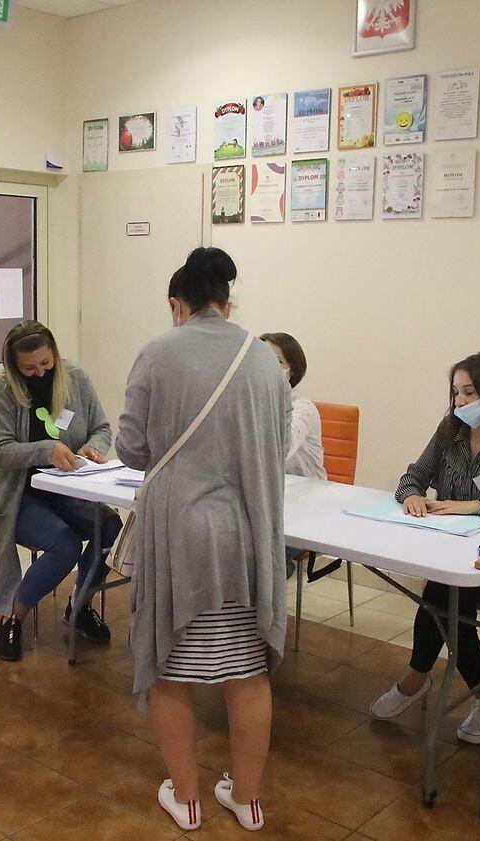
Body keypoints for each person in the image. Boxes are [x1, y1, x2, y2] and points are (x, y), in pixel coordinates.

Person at [117, 247, 290, 833]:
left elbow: (131, 449)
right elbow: (277, 445)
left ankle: (187, 800)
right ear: (227, 300)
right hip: (247, 535)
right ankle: (247, 799)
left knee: (170, 668)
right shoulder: (265, 359)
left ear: (178, 303)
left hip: (180, 535)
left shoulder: (158, 352)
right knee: (248, 673)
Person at [368, 351, 480, 745]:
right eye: (456, 392)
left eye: (470, 392)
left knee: (445, 596)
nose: (460, 401)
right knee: (446, 591)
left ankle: (422, 681)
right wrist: (412, 495)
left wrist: (479, 506)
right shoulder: (448, 433)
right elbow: (412, 477)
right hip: (453, 554)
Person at [0, 320, 122, 662]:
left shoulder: (76, 377)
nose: (40, 373)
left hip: (68, 488)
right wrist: (47, 450)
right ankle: (13, 617)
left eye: (45, 363)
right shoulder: (0, 389)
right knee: (64, 544)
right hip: (18, 495)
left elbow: (102, 428)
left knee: (113, 528)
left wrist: (92, 448)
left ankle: (79, 605)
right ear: (13, 366)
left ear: (55, 354)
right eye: (29, 368)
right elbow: (1, 452)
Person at [260, 332, 326, 579]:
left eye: (276, 361)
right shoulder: (250, 404)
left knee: (265, 559)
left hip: (305, 505)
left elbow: (278, 452)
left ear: (292, 370)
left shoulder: (302, 409)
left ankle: (270, 589)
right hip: (267, 500)